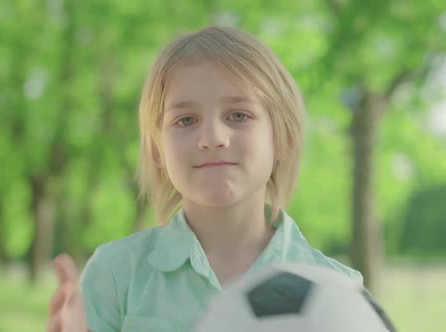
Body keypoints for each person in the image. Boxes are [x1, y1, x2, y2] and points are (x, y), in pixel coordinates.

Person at [46, 25, 364, 332]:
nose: (212, 138)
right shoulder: (116, 274)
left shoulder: (336, 289)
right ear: (157, 149)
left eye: (238, 115)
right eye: (186, 120)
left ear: (280, 137)